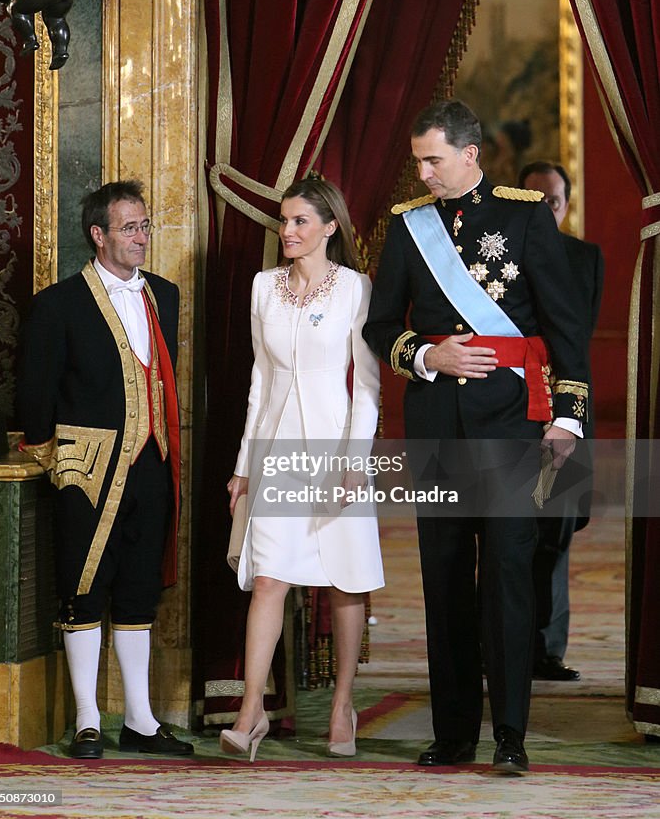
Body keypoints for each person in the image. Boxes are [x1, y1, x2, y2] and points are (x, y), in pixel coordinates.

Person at [363, 100, 588, 775]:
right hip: (437, 427)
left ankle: (510, 735)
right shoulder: (407, 229)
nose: (423, 173)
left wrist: (568, 417)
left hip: (514, 425)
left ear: (469, 154)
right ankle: (454, 731)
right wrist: (430, 358)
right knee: (443, 580)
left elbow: (564, 323)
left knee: (509, 580)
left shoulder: (524, 215)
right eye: (417, 162)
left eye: (432, 160)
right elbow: (380, 326)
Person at [16, 180, 192, 758]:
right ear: (98, 235)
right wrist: (52, 461)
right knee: (84, 590)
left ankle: (140, 721)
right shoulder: (58, 304)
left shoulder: (163, 295)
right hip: (86, 470)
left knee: (139, 591)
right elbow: (35, 394)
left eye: (144, 225)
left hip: (152, 464)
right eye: (129, 227)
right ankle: (89, 720)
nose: (141, 237)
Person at [222, 177, 383, 762]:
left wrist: (354, 462)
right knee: (269, 578)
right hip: (274, 451)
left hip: (336, 449)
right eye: (284, 222)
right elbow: (259, 383)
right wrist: (243, 466)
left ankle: (343, 707)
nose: (287, 232)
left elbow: (366, 386)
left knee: (344, 581)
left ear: (329, 227)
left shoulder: (355, 289)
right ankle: (250, 713)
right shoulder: (264, 288)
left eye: (299, 223)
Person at [519, 161, 604, 681]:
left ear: (566, 205)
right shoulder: (499, 255)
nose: (546, 210)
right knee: (504, 533)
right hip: (510, 412)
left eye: (553, 201)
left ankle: (547, 649)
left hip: (564, 409)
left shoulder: (584, 258)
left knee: (556, 533)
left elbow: (575, 335)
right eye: (535, 201)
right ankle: (499, 644)